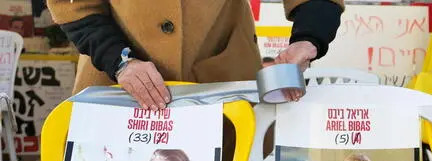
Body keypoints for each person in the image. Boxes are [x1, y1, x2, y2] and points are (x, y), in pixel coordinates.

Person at [47, 0, 344, 106]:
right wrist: (120, 61)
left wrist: (308, 38)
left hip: (220, 84)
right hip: (116, 84)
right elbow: (75, 5)